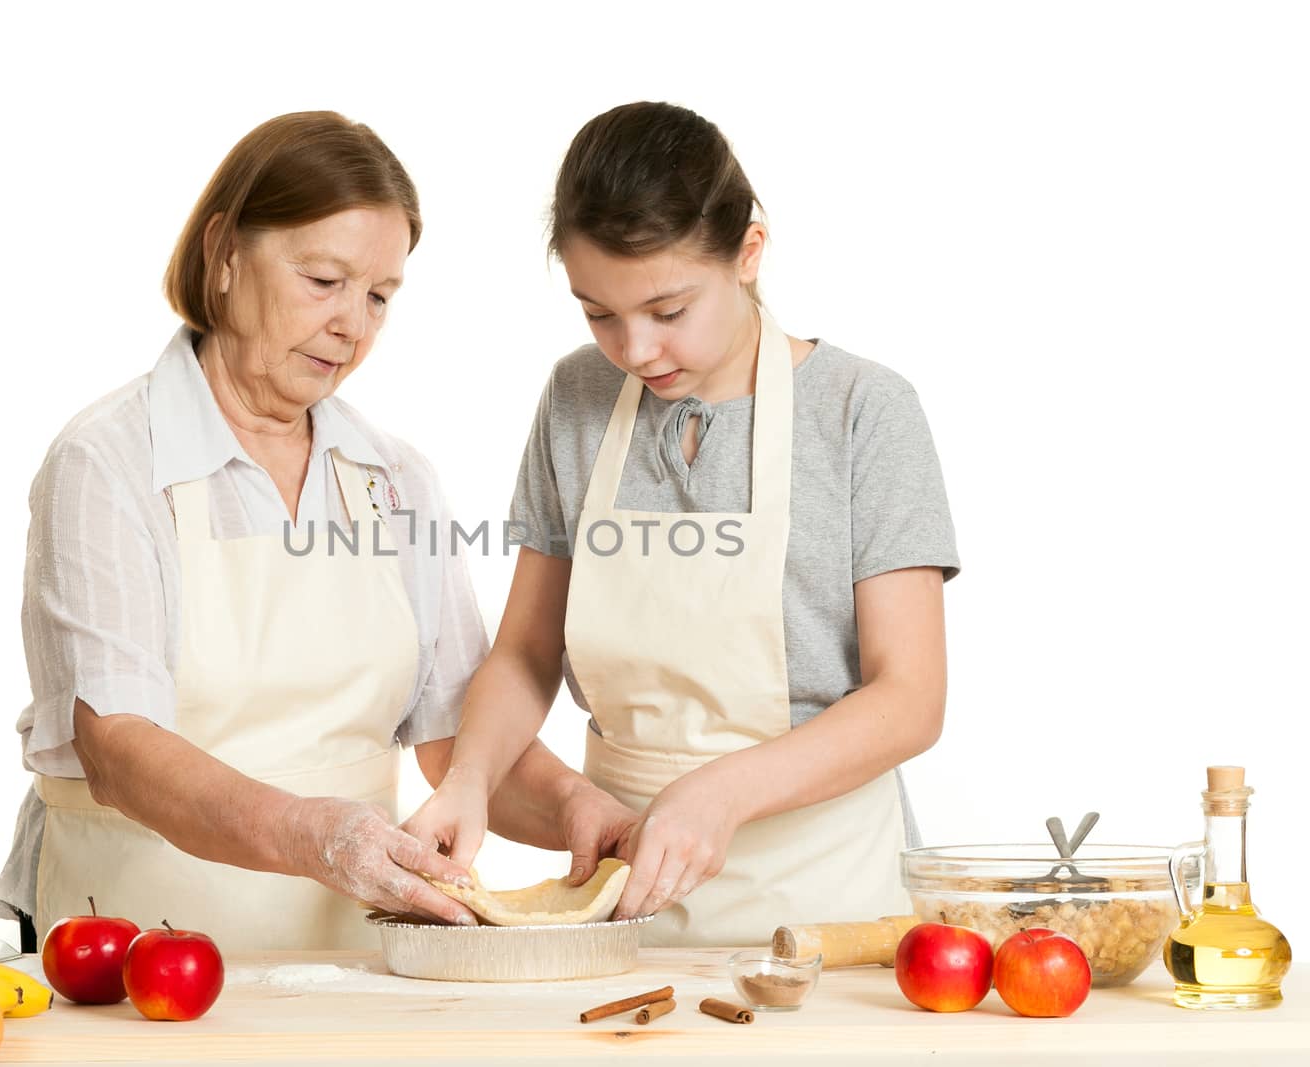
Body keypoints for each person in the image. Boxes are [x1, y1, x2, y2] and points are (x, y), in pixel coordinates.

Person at [0, 112, 622, 953]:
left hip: (350, 954)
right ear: (222, 253)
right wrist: (314, 836)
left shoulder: (396, 479)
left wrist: (573, 805)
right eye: (324, 280)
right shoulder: (107, 463)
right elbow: (120, 750)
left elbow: (453, 735)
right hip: (133, 950)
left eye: (379, 298)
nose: (352, 325)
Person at [405, 102, 961, 946]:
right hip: (625, 892)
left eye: (668, 311)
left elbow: (911, 697)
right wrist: (472, 779)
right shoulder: (577, 399)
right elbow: (525, 650)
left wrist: (722, 792)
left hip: (825, 900)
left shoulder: (862, 412)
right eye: (599, 312)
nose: (634, 349)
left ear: (748, 252)